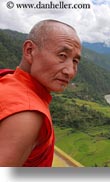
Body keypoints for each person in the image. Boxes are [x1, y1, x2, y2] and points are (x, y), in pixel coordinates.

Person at [0, 19, 82, 167]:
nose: (69, 71)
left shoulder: (8, 80)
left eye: (75, 61)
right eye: (62, 55)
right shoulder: (27, 114)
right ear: (29, 51)